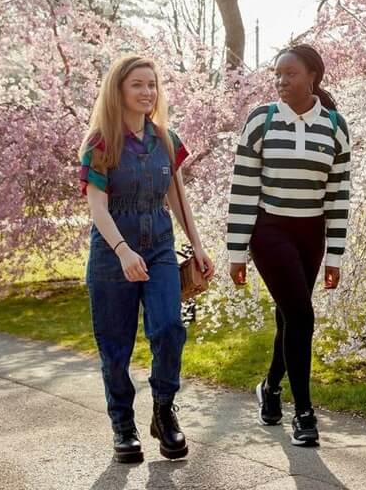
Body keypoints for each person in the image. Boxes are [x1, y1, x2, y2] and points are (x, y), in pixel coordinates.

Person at [79, 54, 214, 463]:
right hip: (111, 253)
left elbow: (176, 195)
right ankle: (123, 426)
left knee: (170, 327)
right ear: (118, 89)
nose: (147, 92)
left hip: (158, 247)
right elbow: (97, 207)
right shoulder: (100, 142)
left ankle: (163, 411)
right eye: (138, 84)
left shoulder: (165, 138)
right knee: (116, 347)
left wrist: (198, 242)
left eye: (152, 84)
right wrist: (122, 251)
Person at [226, 43, 352, 447]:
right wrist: (236, 250)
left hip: (312, 234)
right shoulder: (260, 121)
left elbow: (338, 196)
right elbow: (243, 189)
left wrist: (334, 254)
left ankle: (270, 387)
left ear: (312, 75)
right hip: (270, 232)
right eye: (277, 74)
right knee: (301, 316)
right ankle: (304, 413)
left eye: (290, 73)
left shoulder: (334, 126)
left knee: (289, 319)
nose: (281, 81)